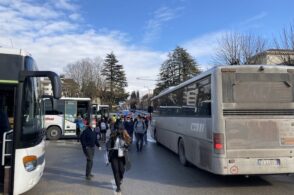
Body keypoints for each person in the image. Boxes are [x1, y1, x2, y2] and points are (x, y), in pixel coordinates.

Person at [106, 126, 131, 193]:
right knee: (115, 170)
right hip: (114, 154)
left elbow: (128, 143)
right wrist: (108, 147)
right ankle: (118, 187)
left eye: (121, 129)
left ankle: (120, 178)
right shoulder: (113, 135)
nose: (119, 131)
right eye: (118, 129)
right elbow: (108, 143)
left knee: (122, 170)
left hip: (122, 155)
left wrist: (126, 145)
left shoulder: (125, 136)